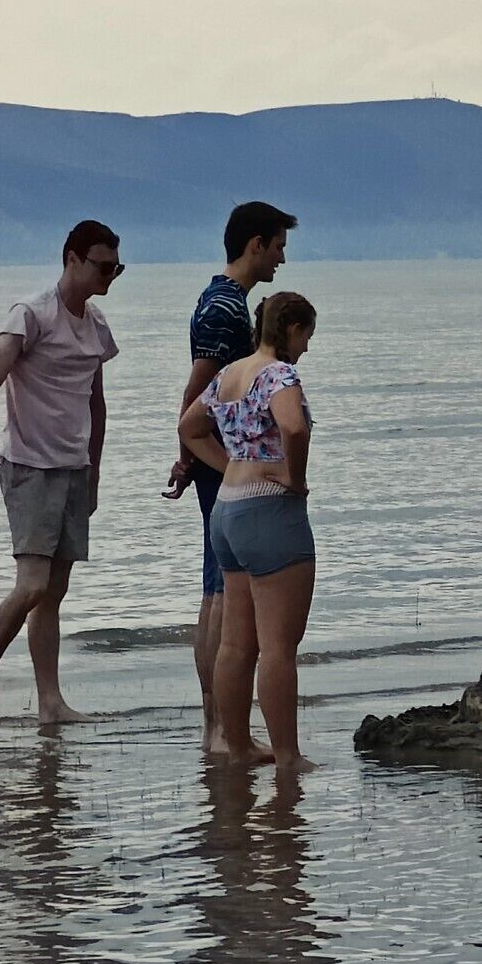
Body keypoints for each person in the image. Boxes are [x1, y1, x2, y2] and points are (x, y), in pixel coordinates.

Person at [0, 221, 124, 724]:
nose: (110, 276)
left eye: (116, 268)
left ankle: (50, 703)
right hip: (29, 466)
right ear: (72, 259)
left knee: (53, 594)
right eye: (103, 266)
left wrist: (95, 471)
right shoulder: (31, 315)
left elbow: (97, 403)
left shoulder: (96, 325)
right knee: (33, 584)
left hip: (74, 468)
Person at [163, 201, 296, 753]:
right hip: (225, 462)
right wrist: (194, 457)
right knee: (221, 592)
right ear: (255, 244)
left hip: (218, 459)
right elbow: (197, 393)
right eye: (278, 246)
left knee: (216, 586)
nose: (281, 259)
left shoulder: (223, 299)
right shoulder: (224, 308)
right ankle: (220, 725)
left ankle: (218, 724)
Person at [179, 292, 319, 770]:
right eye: (307, 337)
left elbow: (190, 427)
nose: (306, 348)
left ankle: (237, 747)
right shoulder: (280, 375)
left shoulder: (229, 374)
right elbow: (293, 428)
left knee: (236, 644)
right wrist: (294, 479)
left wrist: (233, 464)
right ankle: (288, 757)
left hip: (227, 510)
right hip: (270, 513)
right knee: (279, 646)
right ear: (292, 329)